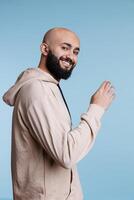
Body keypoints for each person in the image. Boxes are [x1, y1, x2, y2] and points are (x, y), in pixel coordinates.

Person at [3, 27, 115, 200]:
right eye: (65, 47)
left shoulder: (48, 87)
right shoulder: (37, 90)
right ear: (44, 49)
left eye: (76, 51)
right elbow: (66, 154)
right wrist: (96, 109)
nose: (71, 56)